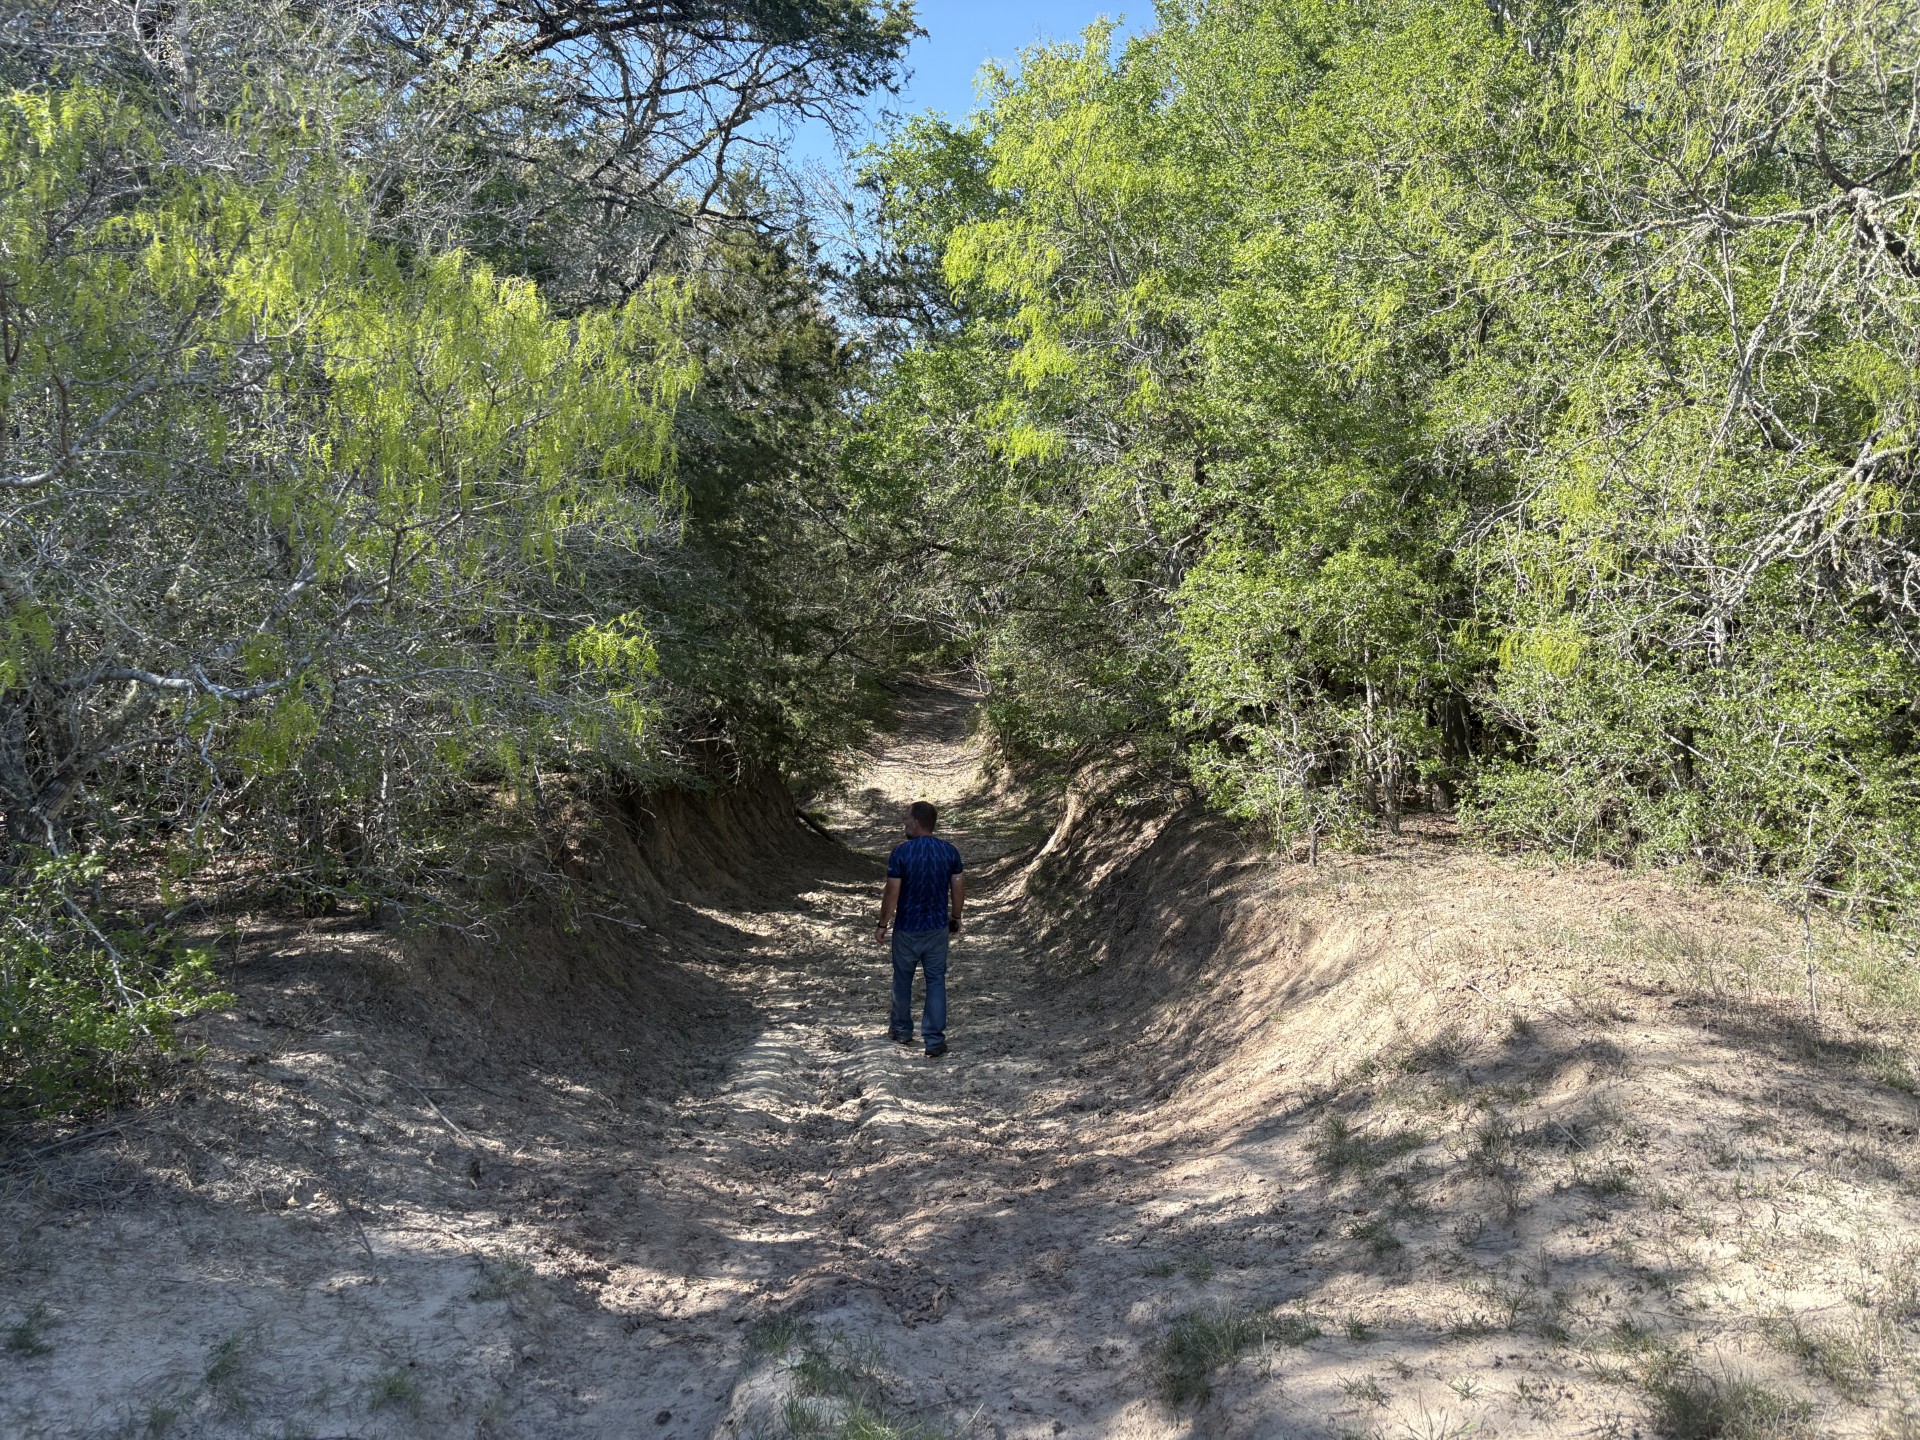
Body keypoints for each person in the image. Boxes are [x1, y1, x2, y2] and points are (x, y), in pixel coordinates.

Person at [874, 800, 964, 1059]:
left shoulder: (901, 853)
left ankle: (902, 1030)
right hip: (937, 928)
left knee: (903, 980)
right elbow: (957, 886)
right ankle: (934, 1039)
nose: (905, 823)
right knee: (936, 981)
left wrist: (883, 923)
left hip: (907, 929)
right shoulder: (949, 852)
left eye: (907, 820)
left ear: (916, 823)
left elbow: (892, 892)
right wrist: (955, 916)